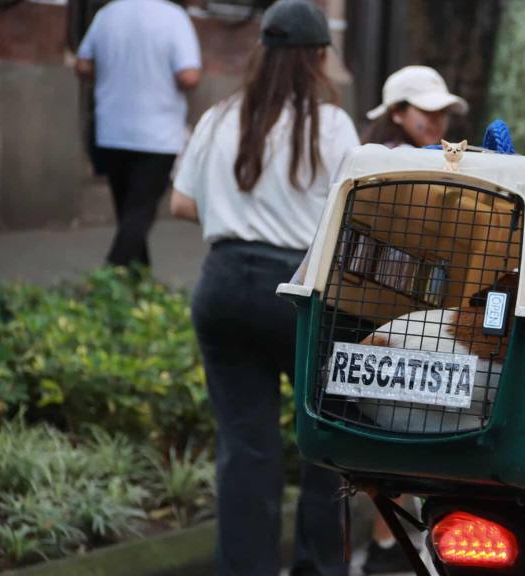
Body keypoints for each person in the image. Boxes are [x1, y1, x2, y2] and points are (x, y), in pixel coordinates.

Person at [168, 1, 359, 574]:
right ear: (320, 58)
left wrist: (241, 210)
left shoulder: (222, 116)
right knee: (328, 443)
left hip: (223, 286)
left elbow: (181, 204)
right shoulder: (332, 126)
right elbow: (355, 217)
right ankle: (317, 568)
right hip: (300, 293)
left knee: (246, 449)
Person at [356, 63, 467, 575]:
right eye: (429, 112)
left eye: (445, 113)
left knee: (400, 435)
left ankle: (388, 545)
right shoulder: (387, 162)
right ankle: (388, 545)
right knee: (401, 436)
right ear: (397, 112)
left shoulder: (413, 157)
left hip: (409, 313)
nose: (439, 123)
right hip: (379, 314)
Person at [76, 0, 202, 268]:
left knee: (128, 212)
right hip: (157, 134)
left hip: (111, 129)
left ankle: (139, 280)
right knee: (139, 213)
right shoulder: (174, 17)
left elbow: (83, 65)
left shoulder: (107, 14)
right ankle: (109, 275)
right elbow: (189, 76)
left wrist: (116, 73)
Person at [362, 65, 469, 148]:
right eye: (427, 110)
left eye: (443, 111)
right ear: (397, 113)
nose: (437, 120)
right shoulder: (389, 159)